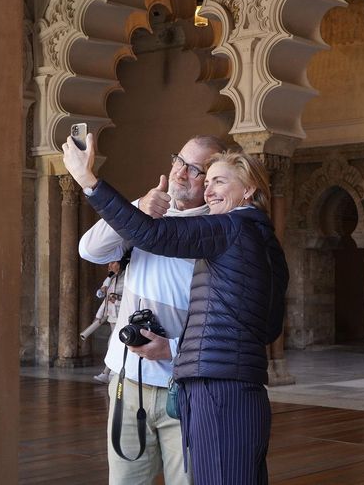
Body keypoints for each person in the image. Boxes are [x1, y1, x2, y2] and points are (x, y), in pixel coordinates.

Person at [66, 135, 289, 485]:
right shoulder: (259, 235)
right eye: (179, 161)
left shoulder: (228, 228)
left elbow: (151, 235)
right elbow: (268, 327)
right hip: (198, 384)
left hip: (206, 387)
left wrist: (87, 180)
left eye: (213, 178)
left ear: (247, 190)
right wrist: (141, 204)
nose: (183, 174)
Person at [78, 135, 228, 484]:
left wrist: (172, 349)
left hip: (188, 390)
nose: (180, 173)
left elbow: (226, 323)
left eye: (195, 170)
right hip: (128, 383)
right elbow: (90, 250)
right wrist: (136, 210)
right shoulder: (144, 212)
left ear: (212, 181)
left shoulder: (218, 233)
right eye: (179, 160)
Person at [92, 259, 127, 384]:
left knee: (113, 342)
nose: (109, 266)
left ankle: (107, 372)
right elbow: (103, 297)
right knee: (113, 342)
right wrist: (99, 315)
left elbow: (130, 298)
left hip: (123, 315)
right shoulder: (111, 279)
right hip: (112, 315)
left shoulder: (127, 277)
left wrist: (117, 298)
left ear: (120, 264)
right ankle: (113, 371)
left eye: (112, 263)